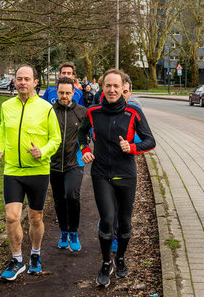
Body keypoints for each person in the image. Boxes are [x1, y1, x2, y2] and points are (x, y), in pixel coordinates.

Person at [78, 69, 156, 287]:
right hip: (101, 173)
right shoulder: (93, 112)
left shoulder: (134, 113)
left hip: (126, 174)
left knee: (124, 223)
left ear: (123, 88)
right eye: (107, 86)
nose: (112, 90)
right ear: (102, 88)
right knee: (107, 220)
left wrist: (131, 147)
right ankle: (105, 263)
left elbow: (150, 141)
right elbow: (81, 133)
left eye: (116, 86)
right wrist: (84, 149)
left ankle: (120, 258)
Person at [0, 65, 61, 280]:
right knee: (12, 217)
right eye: (19, 78)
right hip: (12, 170)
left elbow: (56, 138)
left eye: (27, 79)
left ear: (35, 82)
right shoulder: (6, 106)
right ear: (15, 81)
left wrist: (42, 151)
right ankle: (17, 260)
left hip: (38, 171)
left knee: (35, 218)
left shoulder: (46, 108)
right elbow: (3, 130)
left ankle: (35, 254)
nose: (23, 82)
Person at [50, 77, 87, 252]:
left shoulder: (82, 112)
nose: (64, 96)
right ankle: (63, 231)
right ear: (56, 92)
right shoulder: (49, 111)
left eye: (67, 93)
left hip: (75, 162)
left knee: (72, 195)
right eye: (61, 93)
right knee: (59, 200)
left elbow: (90, 135)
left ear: (74, 93)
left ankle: (73, 232)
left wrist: (87, 150)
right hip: (54, 163)